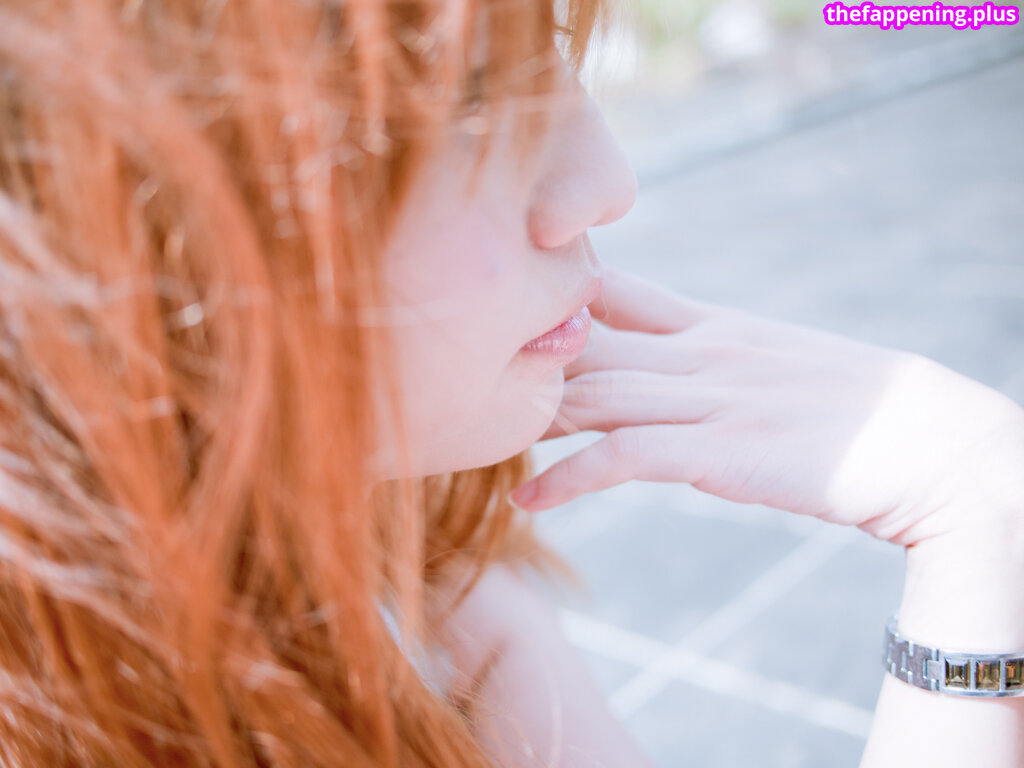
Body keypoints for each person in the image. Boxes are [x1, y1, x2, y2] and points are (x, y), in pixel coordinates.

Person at [0, 2, 1020, 768]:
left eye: (557, 53)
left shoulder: (414, 557)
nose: (606, 182)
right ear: (121, 230)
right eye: (463, 97)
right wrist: (979, 529)